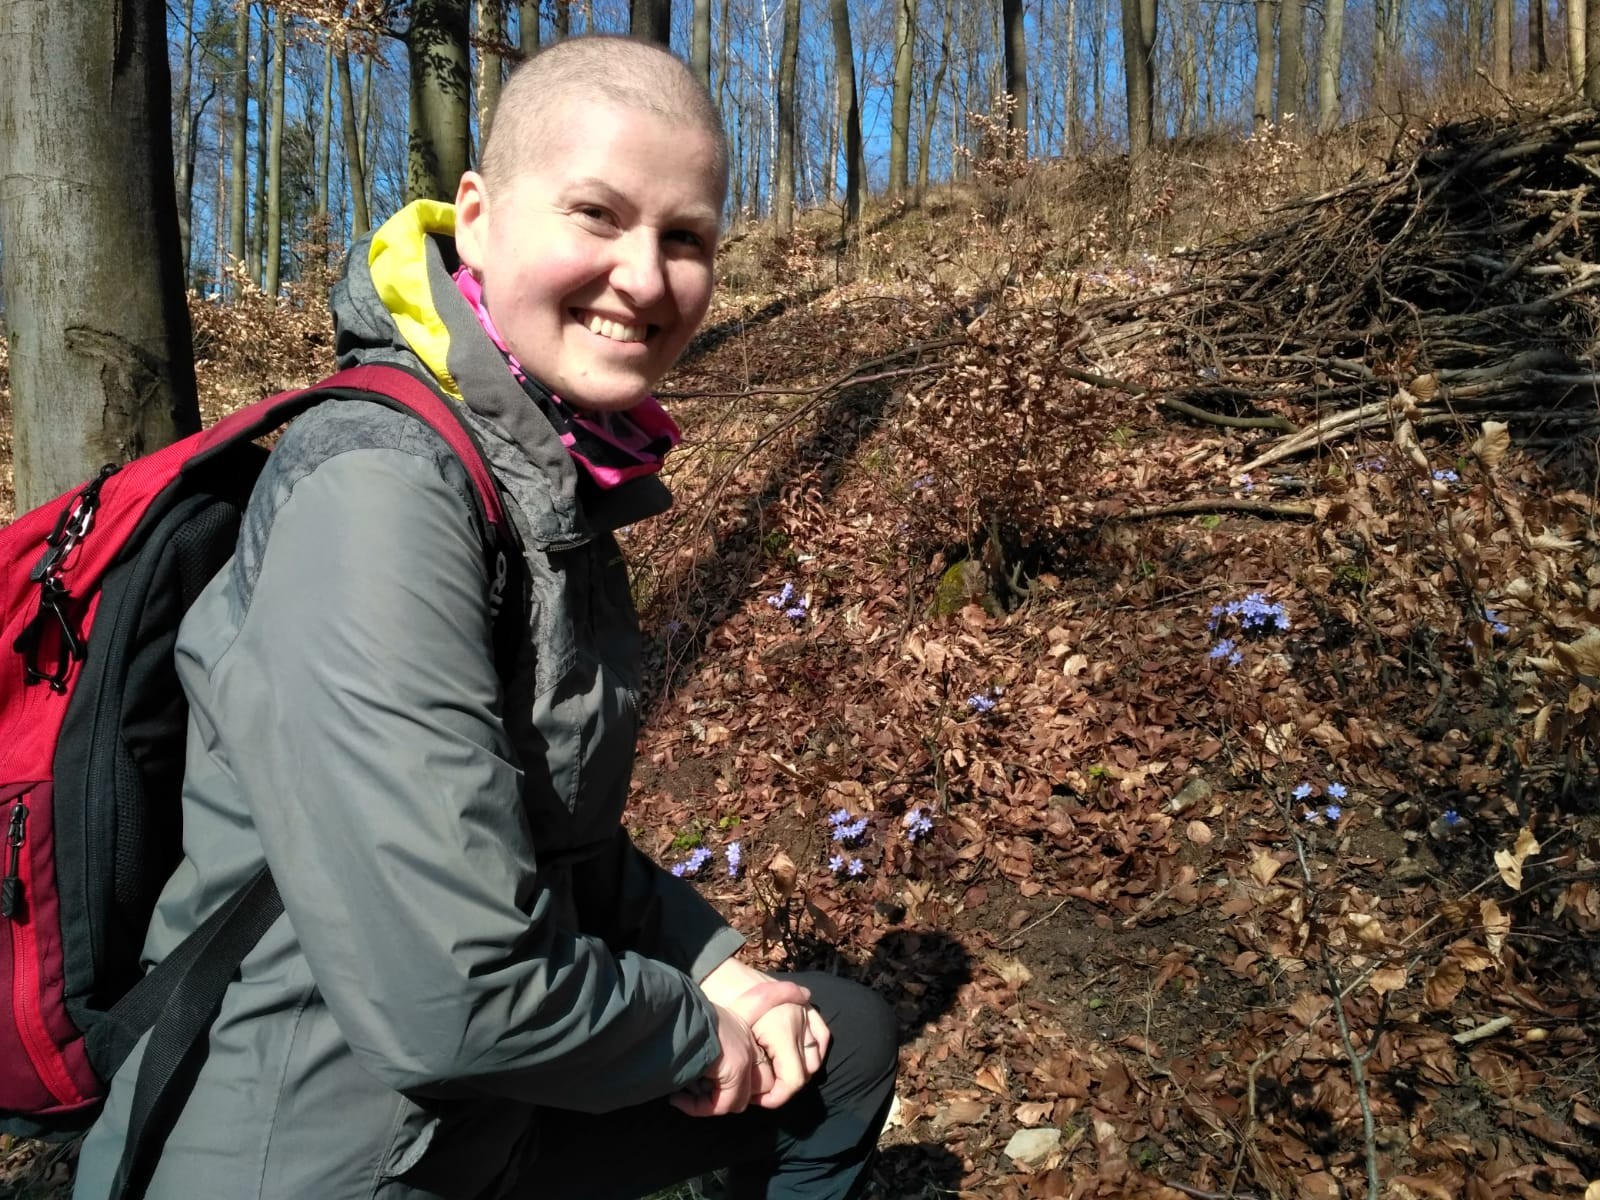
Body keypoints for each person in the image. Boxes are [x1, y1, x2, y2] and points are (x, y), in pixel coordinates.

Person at [72, 34, 898, 1200]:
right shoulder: (379, 489)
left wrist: (718, 972)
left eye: (685, 238)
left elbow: (556, 840)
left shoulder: (543, 473)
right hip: (325, 1143)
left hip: (486, 1109)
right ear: (478, 215)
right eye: (597, 214)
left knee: (839, 1048)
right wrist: (691, 1031)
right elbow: (452, 997)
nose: (645, 278)